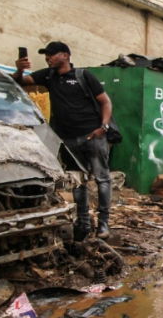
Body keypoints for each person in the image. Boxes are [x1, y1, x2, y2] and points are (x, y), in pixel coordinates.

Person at [12, 41, 113, 240]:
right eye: (45, 55)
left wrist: (103, 127)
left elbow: (106, 102)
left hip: (92, 136)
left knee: (102, 179)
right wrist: (19, 70)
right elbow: (20, 82)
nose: (48, 58)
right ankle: (83, 224)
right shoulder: (48, 76)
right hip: (68, 140)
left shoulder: (83, 76)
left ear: (65, 55)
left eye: (51, 54)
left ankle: (103, 224)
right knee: (78, 183)